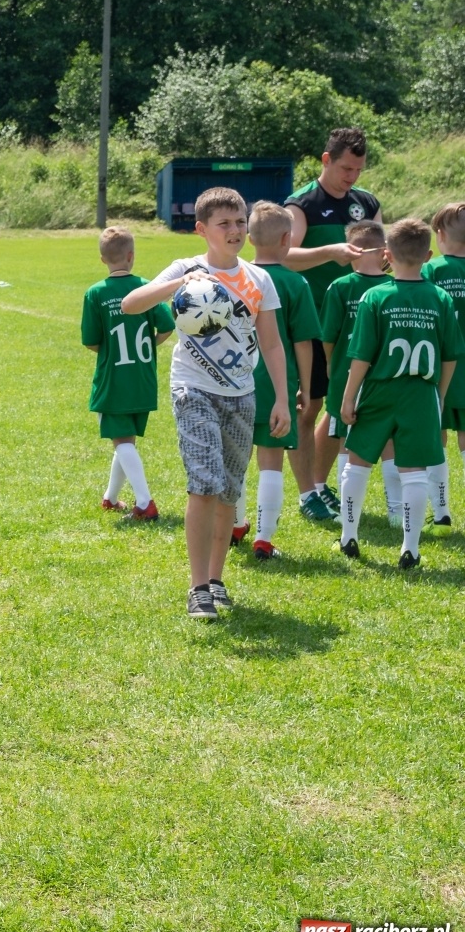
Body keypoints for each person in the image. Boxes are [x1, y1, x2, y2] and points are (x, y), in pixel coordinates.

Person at [119, 187, 290, 621]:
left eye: (239, 222)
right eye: (224, 224)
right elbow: (130, 302)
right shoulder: (186, 268)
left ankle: (216, 580)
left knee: (229, 492)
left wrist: (284, 400)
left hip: (242, 395)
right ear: (202, 230)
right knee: (204, 483)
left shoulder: (258, 279)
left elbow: (271, 344)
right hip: (192, 390)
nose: (234, 231)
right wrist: (181, 283)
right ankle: (197, 588)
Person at [336, 218, 463, 568]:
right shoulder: (439, 297)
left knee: (357, 463)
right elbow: (451, 354)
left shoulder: (375, 296)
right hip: (421, 392)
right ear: (428, 255)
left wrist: (349, 397)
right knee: (414, 470)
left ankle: (348, 537)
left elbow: (361, 354)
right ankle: (410, 548)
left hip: (378, 390)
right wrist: (437, 395)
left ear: (387, 255)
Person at [285, 128, 382, 520]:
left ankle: (321, 485)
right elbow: (284, 255)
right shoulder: (302, 203)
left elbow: (381, 248)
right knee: (308, 407)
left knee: (339, 404)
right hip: (311, 321)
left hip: (357, 324)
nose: (352, 177)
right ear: (326, 160)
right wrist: (329, 252)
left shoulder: (366, 203)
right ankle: (307, 493)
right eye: (345, 168)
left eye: (358, 169)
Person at [234, 202, 320, 560]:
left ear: (249, 237)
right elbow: (302, 341)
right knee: (271, 459)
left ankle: (236, 523)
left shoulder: (236, 277)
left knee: (236, 459)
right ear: (287, 239)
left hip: (234, 379)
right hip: (275, 383)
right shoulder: (296, 282)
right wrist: (304, 385)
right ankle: (264, 540)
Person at [80, 227, 174, 521]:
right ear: (131, 256)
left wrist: (110, 353)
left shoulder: (96, 293)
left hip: (114, 379)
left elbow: (90, 340)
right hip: (143, 378)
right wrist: (149, 347)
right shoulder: (146, 287)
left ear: (101, 259)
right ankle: (110, 498)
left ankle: (145, 503)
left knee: (121, 441)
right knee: (126, 441)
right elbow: (167, 325)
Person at [319, 222, 394, 524]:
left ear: (352, 251)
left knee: (343, 439)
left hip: (345, 375)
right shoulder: (393, 288)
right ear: (384, 251)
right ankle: (396, 512)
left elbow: (328, 336)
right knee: (391, 440)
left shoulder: (340, 287)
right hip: (385, 377)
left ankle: (345, 511)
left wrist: (330, 364)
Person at [420, 202, 465, 525]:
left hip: (440, 366)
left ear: (439, 234)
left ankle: (441, 510)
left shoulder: (432, 270)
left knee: (435, 434)